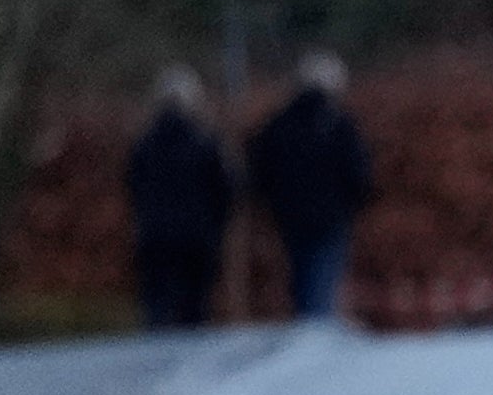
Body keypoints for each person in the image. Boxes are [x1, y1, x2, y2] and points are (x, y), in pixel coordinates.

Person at [246, 54, 376, 323]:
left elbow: (260, 173)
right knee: (322, 284)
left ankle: (307, 335)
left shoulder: (278, 124)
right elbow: (358, 173)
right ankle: (315, 344)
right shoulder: (339, 125)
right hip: (330, 218)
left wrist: (275, 205)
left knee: (301, 282)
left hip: (289, 218)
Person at [127, 73, 233, 330]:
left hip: (156, 237)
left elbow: (133, 185)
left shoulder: (146, 144)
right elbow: (227, 189)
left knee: (157, 310)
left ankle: (154, 365)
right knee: (194, 312)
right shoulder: (206, 143)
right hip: (197, 238)